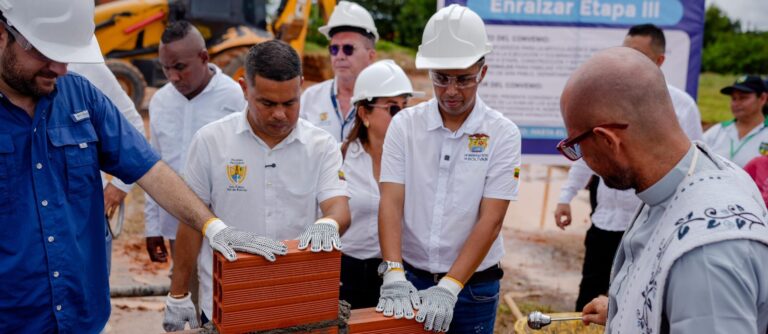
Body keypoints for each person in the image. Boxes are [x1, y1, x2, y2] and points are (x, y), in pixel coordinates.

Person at [0, 1, 285, 332]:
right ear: (3, 34)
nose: (61, 68)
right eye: (47, 53)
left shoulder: (81, 97)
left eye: (66, 56)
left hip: (82, 317)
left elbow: (151, 170)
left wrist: (213, 227)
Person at [559, 47, 768, 333]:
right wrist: (624, 310)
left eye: (576, 146)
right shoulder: (699, 172)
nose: (581, 157)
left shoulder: (704, 261)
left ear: (609, 141)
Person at [162, 40, 351, 331]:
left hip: (296, 308)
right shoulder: (212, 142)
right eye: (267, 103)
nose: (279, 114)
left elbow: (338, 207)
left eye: (290, 103)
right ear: (244, 89)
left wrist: (330, 223)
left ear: (300, 85)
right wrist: (178, 293)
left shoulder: (321, 145)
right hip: (226, 305)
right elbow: (190, 221)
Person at [376, 5, 521, 333]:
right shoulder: (405, 126)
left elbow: (492, 218)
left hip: (473, 289)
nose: (451, 91)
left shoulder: (502, 133)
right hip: (411, 279)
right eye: (441, 79)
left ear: (482, 72)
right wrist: (394, 271)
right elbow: (391, 201)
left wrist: (451, 285)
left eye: (463, 79)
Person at [554, 23, 704, 311]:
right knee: (589, 297)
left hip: (653, 223)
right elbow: (588, 150)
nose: (628, 63)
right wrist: (566, 196)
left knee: (639, 299)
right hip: (605, 221)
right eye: (625, 53)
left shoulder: (681, 106)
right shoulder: (604, 100)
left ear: (659, 62)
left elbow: (693, 164)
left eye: (639, 56)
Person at [144, 20, 245, 264]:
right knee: (185, 295)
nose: (173, 76)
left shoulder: (235, 98)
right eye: (166, 68)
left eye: (180, 67)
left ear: (204, 57)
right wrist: (153, 227)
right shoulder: (160, 102)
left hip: (228, 226)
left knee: (227, 297)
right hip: (177, 226)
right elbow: (154, 167)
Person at [339, 60, 421, 309]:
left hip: (396, 271)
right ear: (364, 113)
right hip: (344, 272)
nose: (403, 116)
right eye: (393, 108)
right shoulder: (339, 158)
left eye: (406, 106)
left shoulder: (416, 160)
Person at [299, 1, 377, 142]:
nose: (339, 56)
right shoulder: (310, 99)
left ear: (371, 56)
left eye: (348, 48)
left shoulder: (383, 104)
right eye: (334, 49)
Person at [703, 75, 768, 167]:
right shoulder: (718, 131)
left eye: (743, 98)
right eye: (734, 98)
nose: (736, 104)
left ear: (762, 98)